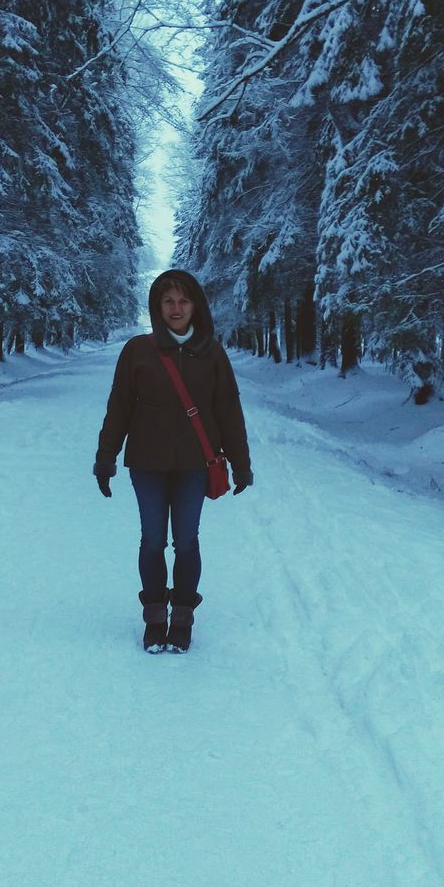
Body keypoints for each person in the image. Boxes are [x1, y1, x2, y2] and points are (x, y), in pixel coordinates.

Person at [93, 269, 253, 654]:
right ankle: (154, 617)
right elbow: (118, 408)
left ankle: (181, 617)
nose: (176, 308)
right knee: (152, 540)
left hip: (195, 465)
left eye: (183, 301)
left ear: (195, 305)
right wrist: (105, 458)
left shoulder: (211, 353)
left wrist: (241, 463)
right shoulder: (137, 351)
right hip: (146, 464)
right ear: (157, 306)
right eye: (168, 301)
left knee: (186, 540)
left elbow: (228, 410)